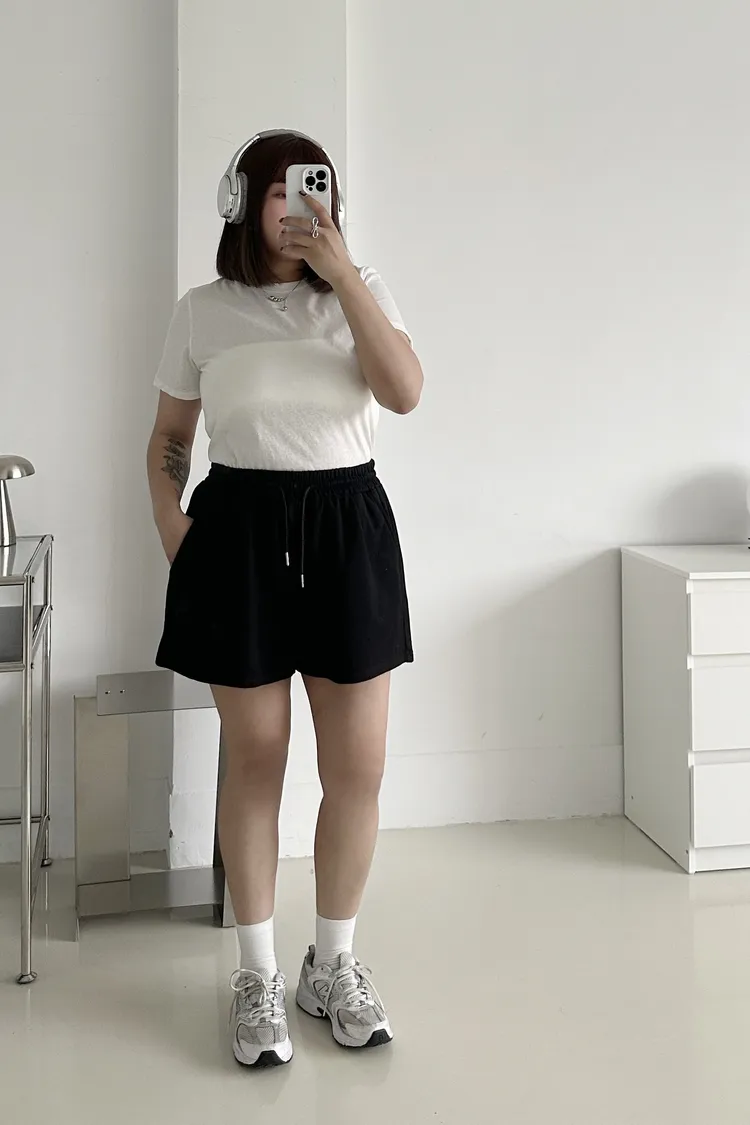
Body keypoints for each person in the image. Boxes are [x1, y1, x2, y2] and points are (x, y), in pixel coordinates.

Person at [146, 130, 423, 1068]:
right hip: (240, 535)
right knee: (257, 757)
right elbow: (169, 438)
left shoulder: (361, 290)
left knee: (359, 768)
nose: (303, 205)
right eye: (282, 190)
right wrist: (178, 534)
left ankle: (331, 963)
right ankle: (257, 974)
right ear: (242, 201)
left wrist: (343, 277)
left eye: (319, 188)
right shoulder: (202, 310)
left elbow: (405, 392)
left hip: (349, 530)